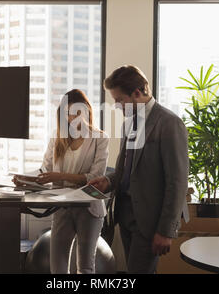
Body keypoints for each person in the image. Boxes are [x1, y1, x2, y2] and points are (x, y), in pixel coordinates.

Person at [89, 65, 189, 274]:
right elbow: (124, 170)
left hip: (151, 222)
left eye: (119, 100)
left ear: (136, 93)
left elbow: (177, 182)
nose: (116, 106)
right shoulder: (128, 125)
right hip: (125, 216)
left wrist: (166, 231)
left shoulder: (169, 123)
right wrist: (108, 181)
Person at [13, 89, 109, 274]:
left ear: (87, 111)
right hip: (62, 207)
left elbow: (95, 177)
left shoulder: (100, 138)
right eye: (70, 114)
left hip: (88, 208)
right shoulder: (57, 139)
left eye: (78, 112)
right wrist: (25, 179)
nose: (74, 117)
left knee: (86, 268)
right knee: (57, 268)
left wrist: (61, 176)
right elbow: (45, 171)